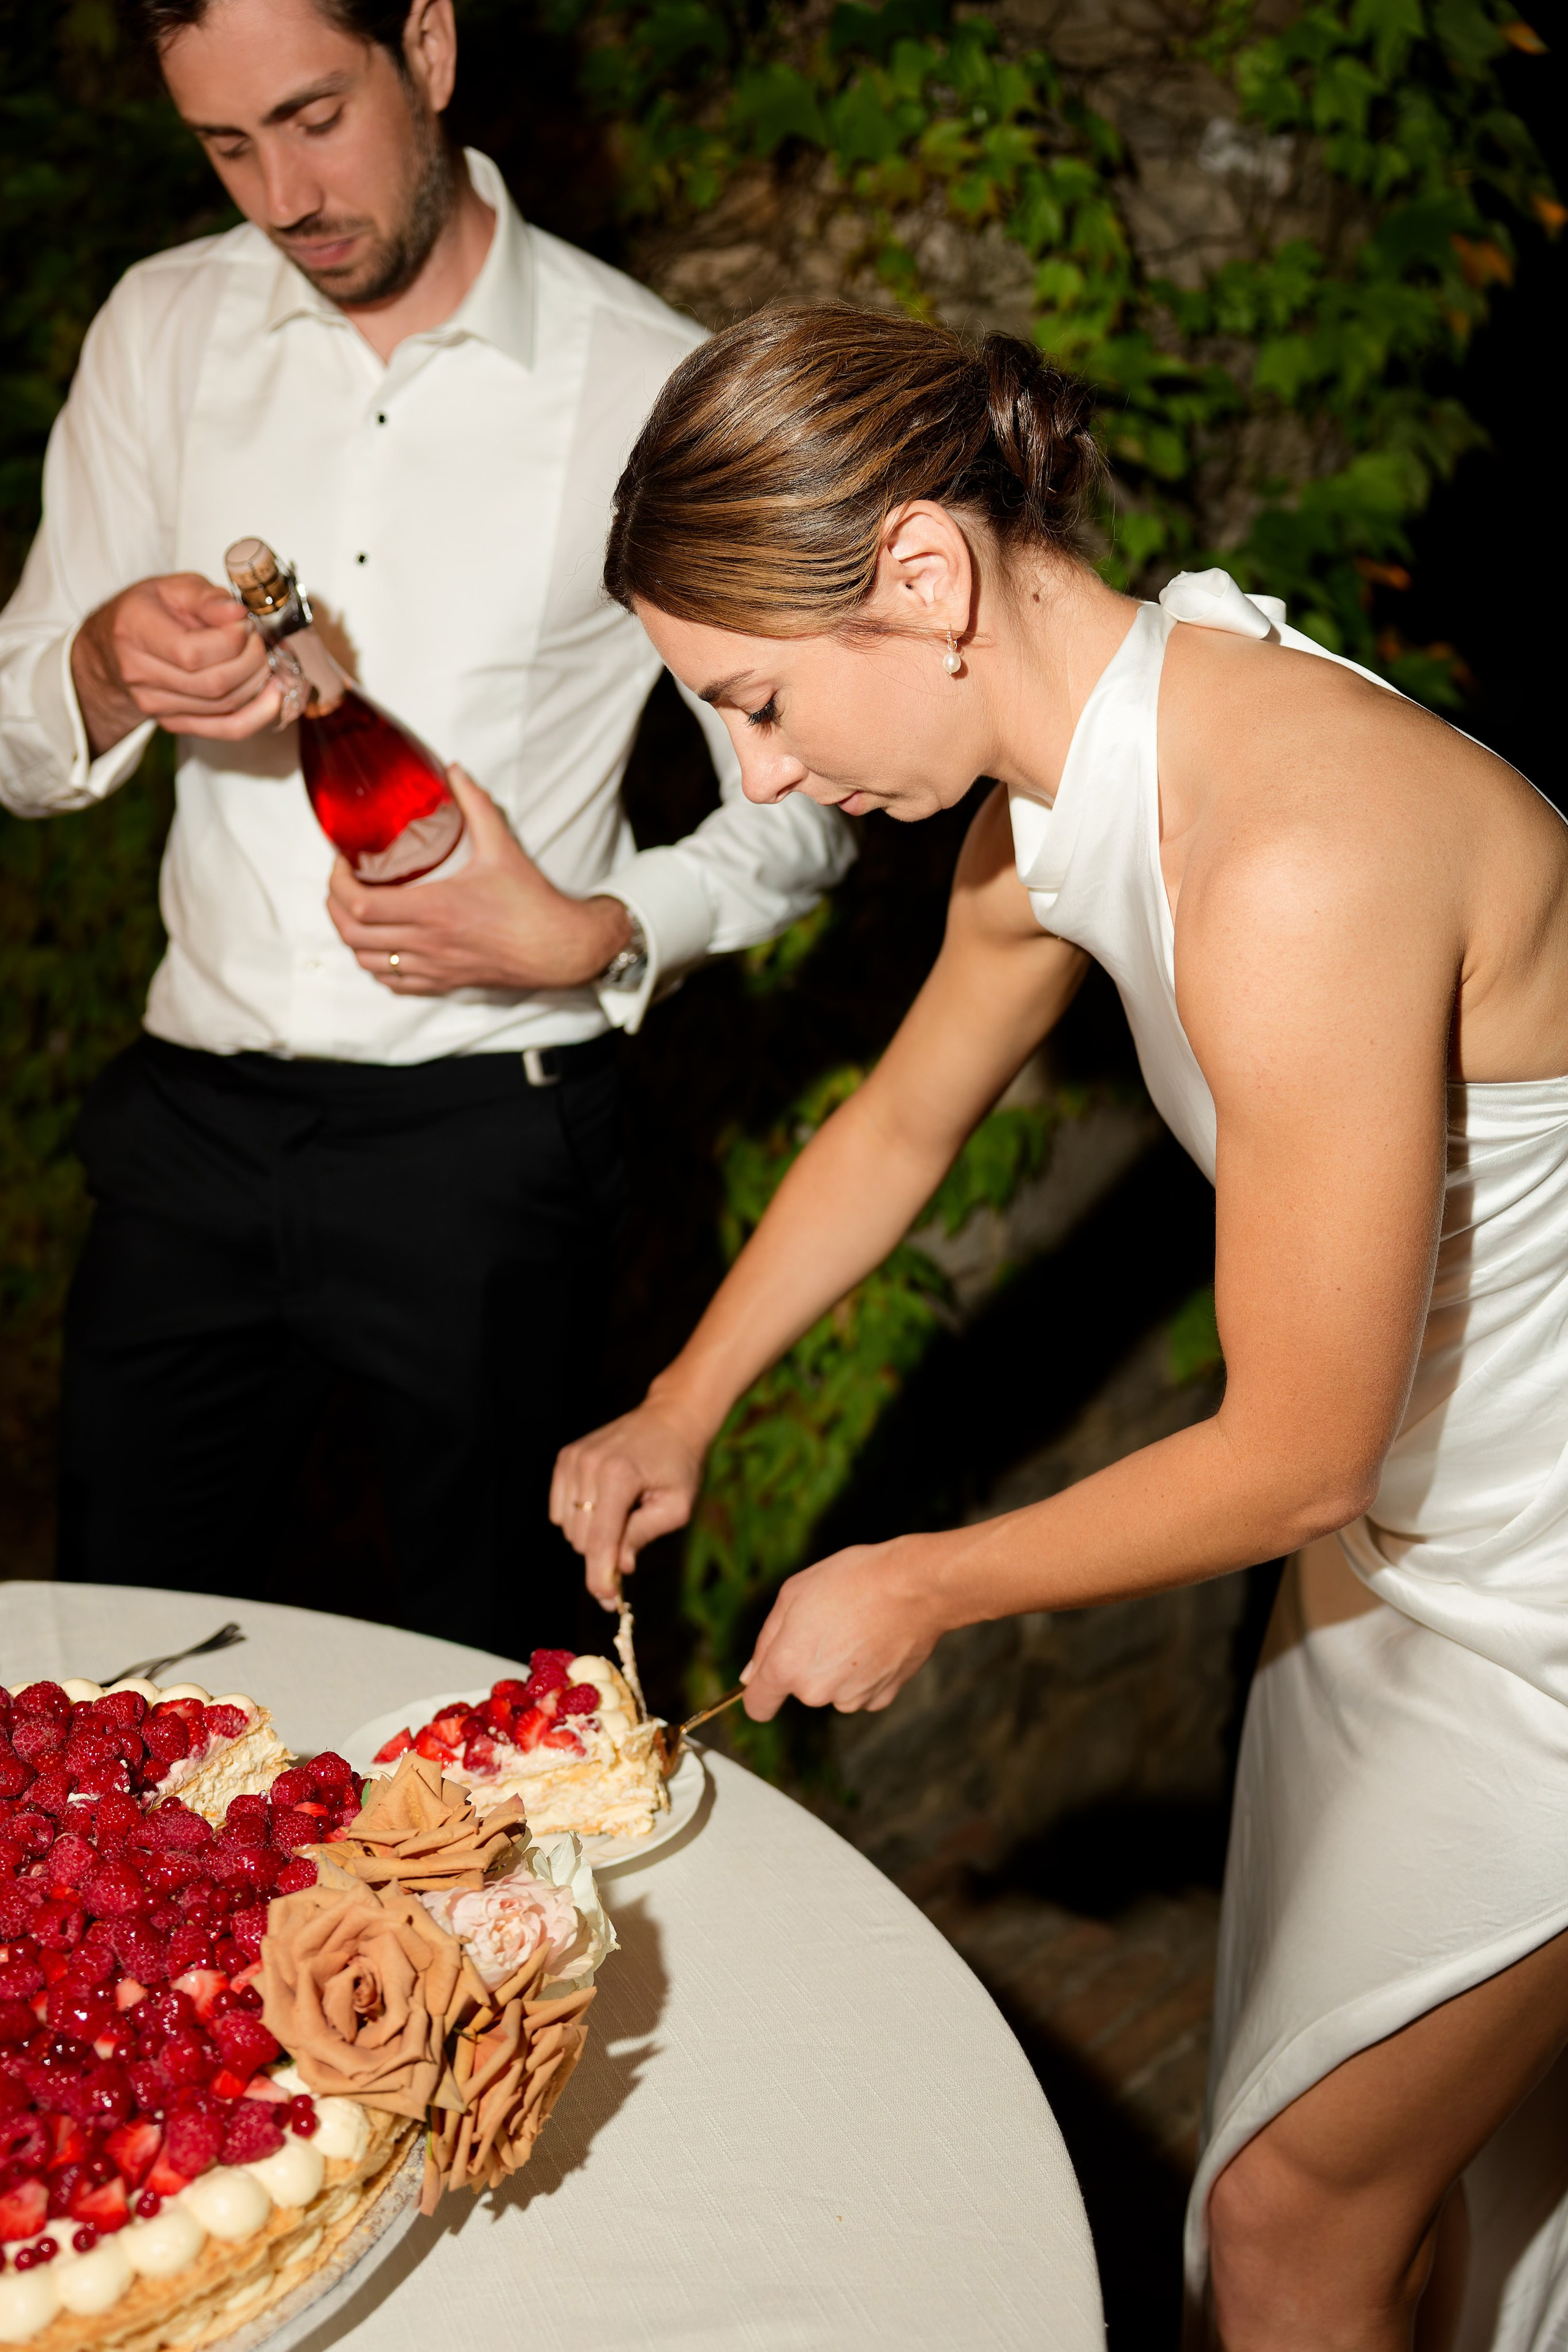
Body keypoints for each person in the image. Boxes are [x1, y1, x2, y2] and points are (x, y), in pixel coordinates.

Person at [551, 303, 1568, 2349]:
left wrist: (924, 1581)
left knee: (1288, 2225)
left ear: (923, 577)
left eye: (754, 702)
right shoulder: (1069, 791)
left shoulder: (1291, 847)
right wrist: (683, 1404)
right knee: (1397, 2167)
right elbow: (906, 1123)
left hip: (1544, 1598)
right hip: (1400, 1575)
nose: (765, 775)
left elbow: (1296, 1446)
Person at [0, 0, 851, 1642]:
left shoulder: (649, 380)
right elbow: (20, 726)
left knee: (494, 1688)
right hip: (191, 1128)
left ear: (432, 50)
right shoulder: (159, 326)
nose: (281, 193)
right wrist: (101, 665)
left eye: (315, 116)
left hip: (493, 1140)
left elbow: (810, 814)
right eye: (225, 144)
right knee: (106, 1674)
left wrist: (601, 933)